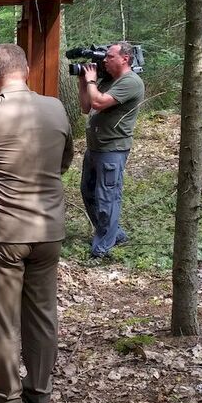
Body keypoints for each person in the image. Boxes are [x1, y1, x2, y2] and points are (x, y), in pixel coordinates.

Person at [0, 43, 74, 403]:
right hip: (47, 228)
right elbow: (64, 161)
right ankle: (39, 392)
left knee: (3, 318)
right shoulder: (56, 107)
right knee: (42, 313)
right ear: (25, 71)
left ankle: (6, 395)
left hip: (0, 231)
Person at [77, 42, 145, 258]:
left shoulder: (131, 82)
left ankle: (103, 247)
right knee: (88, 192)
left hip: (112, 149)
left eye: (110, 56)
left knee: (107, 198)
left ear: (125, 58)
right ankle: (113, 233)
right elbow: (86, 106)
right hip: (96, 147)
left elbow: (98, 102)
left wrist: (90, 81)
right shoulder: (108, 81)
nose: (104, 60)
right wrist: (83, 82)